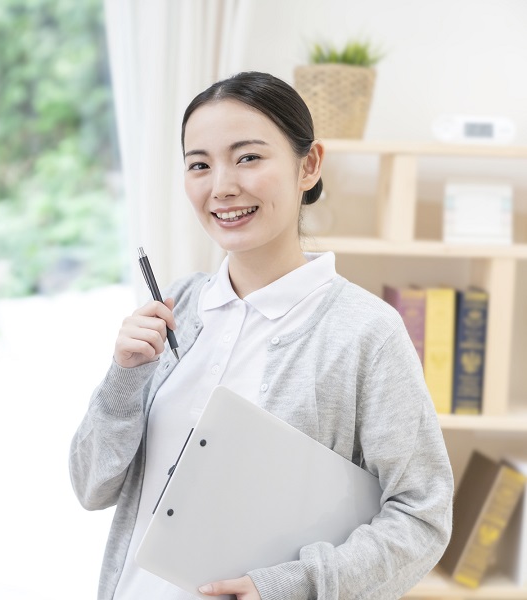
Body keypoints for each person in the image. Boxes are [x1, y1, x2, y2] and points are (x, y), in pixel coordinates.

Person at [69, 71, 453, 600]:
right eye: (199, 164)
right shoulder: (176, 305)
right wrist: (122, 379)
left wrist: (290, 586)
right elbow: (91, 487)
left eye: (248, 157)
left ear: (309, 164)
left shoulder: (367, 332)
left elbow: (422, 519)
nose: (222, 186)